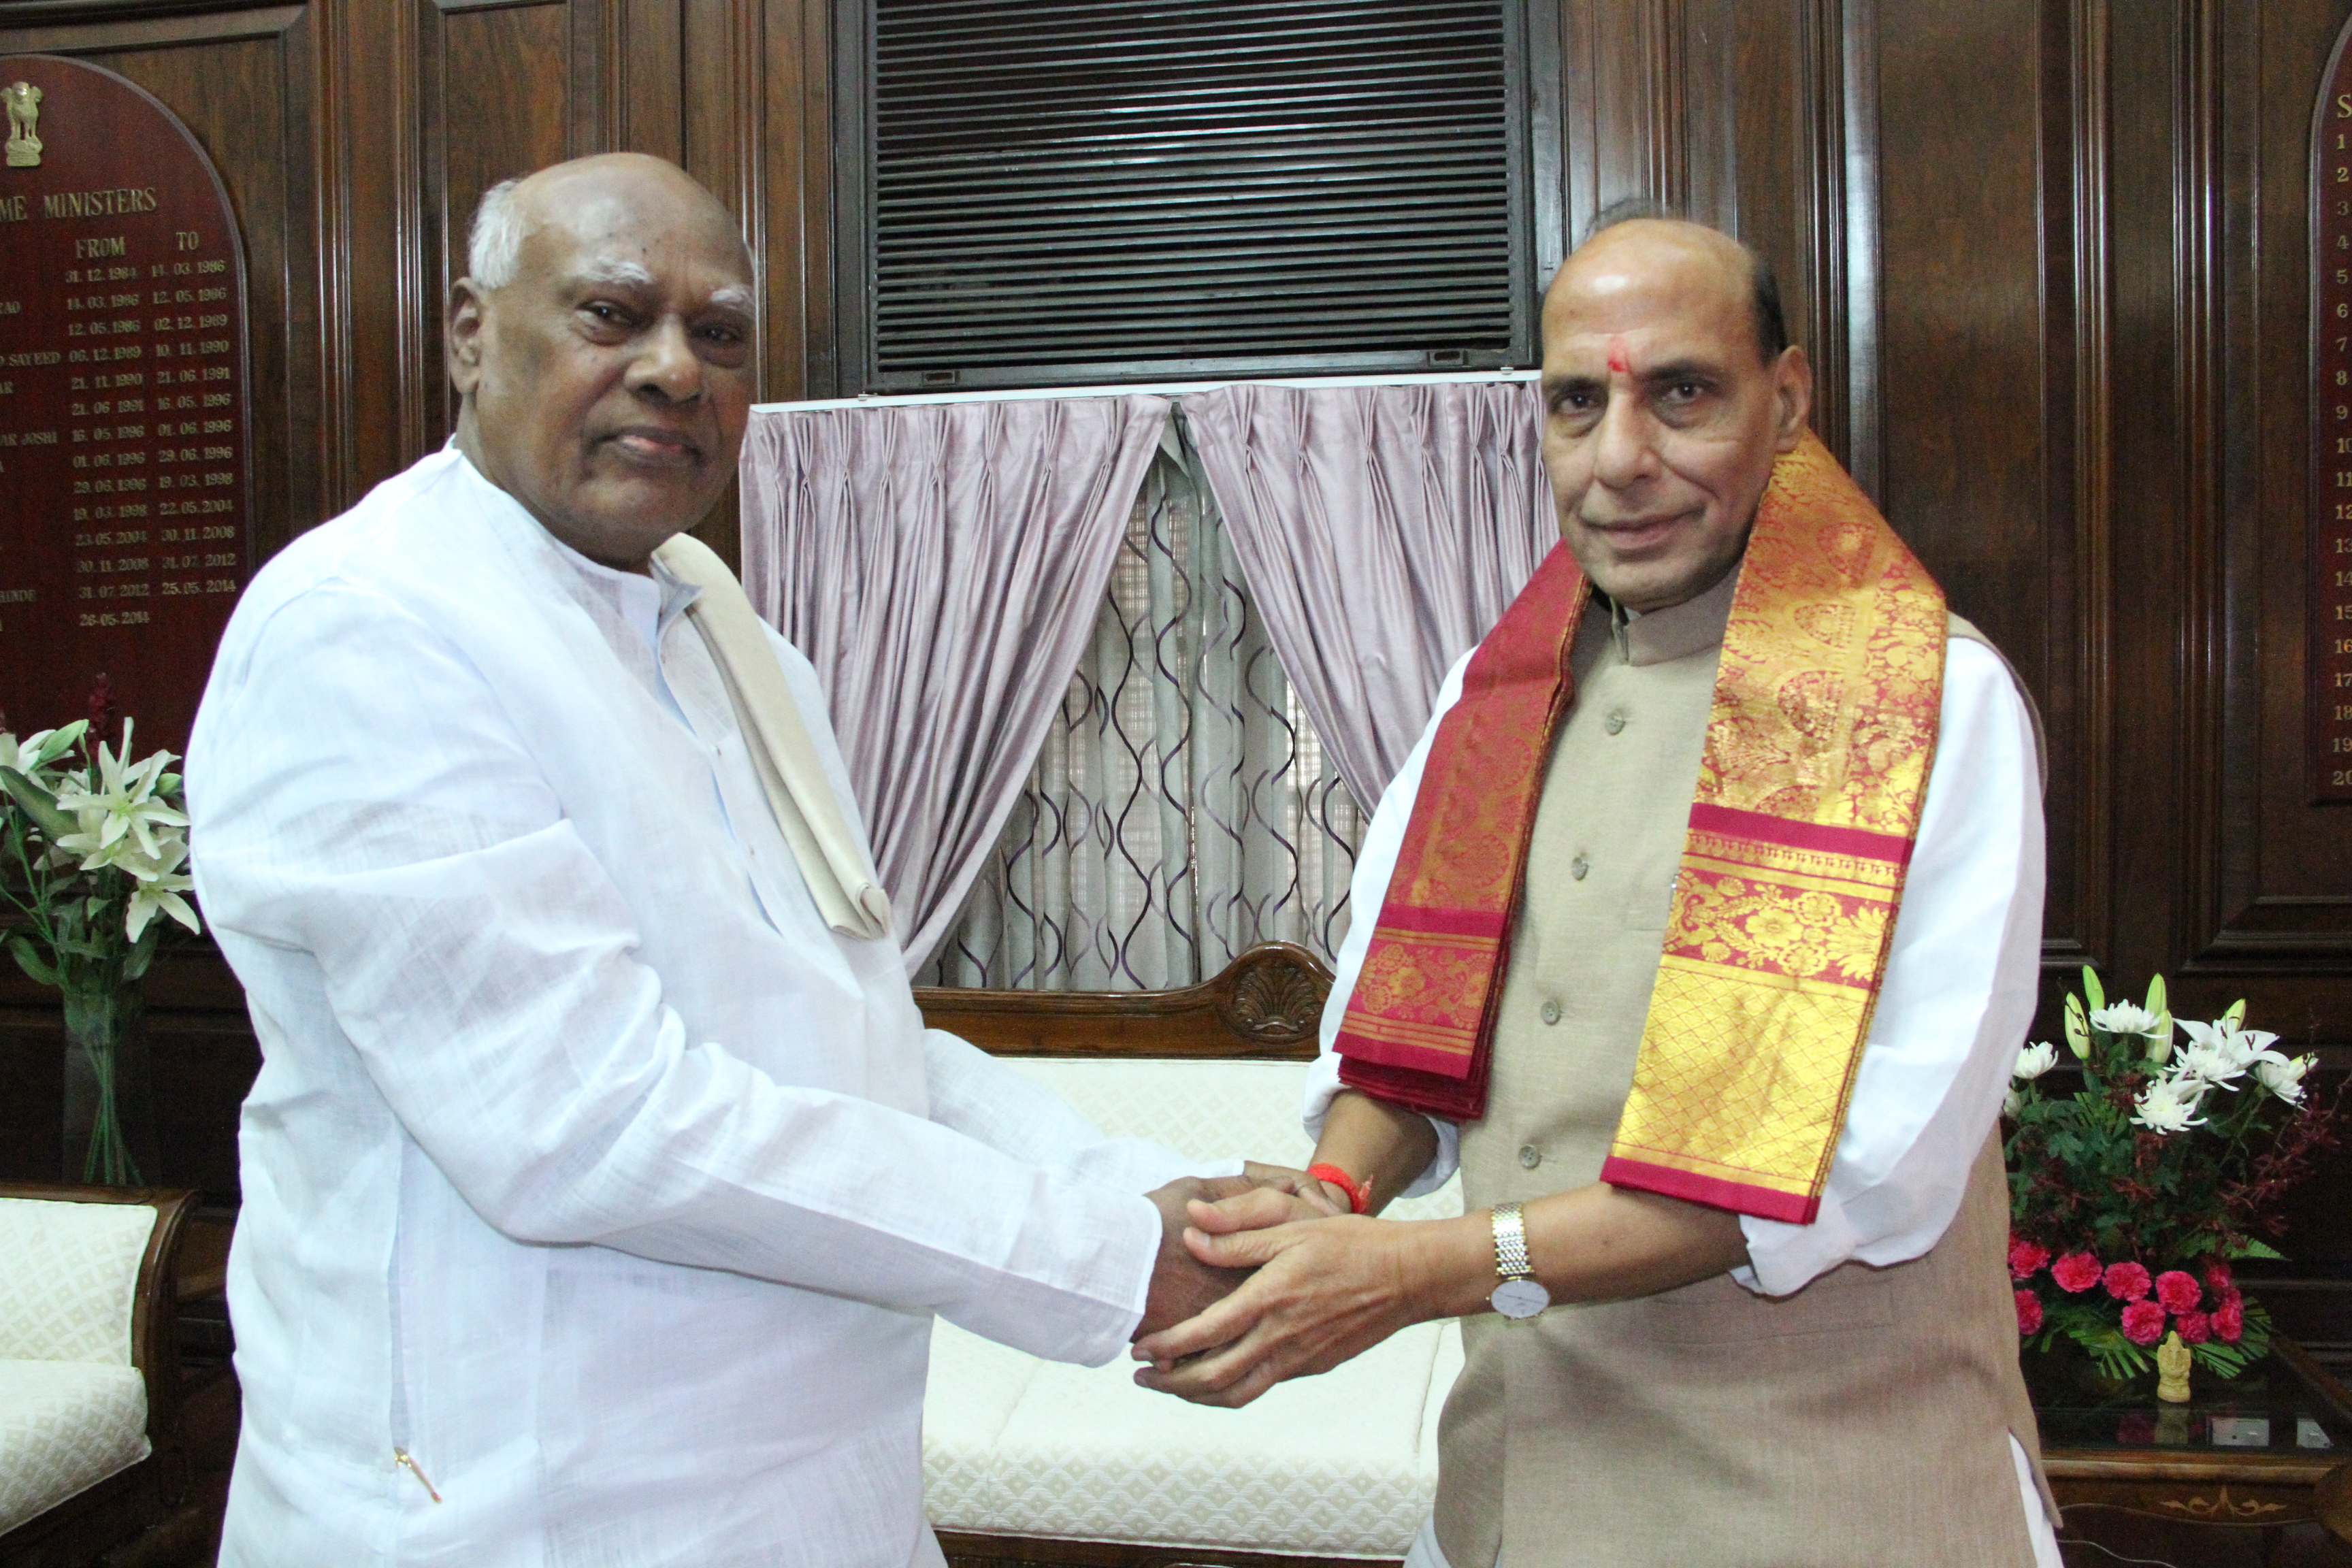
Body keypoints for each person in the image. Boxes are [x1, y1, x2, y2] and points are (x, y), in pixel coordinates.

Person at [186, 153, 1288, 1568]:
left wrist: (1143, 1188)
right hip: (531, 1503)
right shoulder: (370, 627)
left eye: (719, 334)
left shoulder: (721, 627)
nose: (673, 370)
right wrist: (1101, 1261)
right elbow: (588, 1126)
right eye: (611, 314)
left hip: (812, 1483)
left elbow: (855, 1036)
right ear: (470, 333)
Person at [1132, 213, 2065, 1568]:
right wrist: (1334, 1197)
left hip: (1831, 1505)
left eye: (1681, 394)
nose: (1622, 461)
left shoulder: (1924, 706)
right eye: (1580, 403)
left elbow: (1869, 1173)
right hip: (1518, 1502)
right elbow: (1402, 1044)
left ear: (1786, 401)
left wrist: (1406, 1273)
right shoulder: (1495, 698)